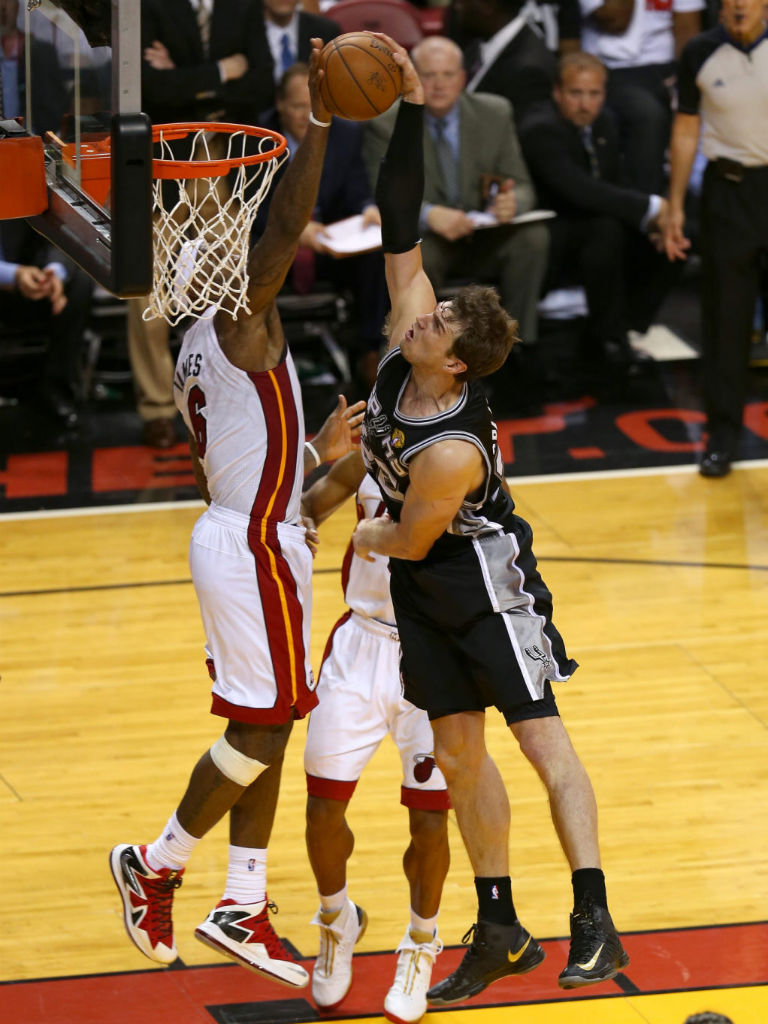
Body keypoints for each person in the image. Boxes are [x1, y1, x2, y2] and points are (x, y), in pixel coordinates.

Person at [353, 34, 629, 1002]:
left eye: (433, 328)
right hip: (424, 588)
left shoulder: (452, 449)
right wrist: (388, 113)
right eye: (424, 318)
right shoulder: (408, 345)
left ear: (456, 366)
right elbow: (398, 234)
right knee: (459, 752)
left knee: (541, 740)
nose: (417, 319)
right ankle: (502, 920)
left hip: (480, 579)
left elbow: (410, 535)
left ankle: (594, 917)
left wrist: (354, 528)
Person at [109, 41, 366, 985]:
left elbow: (272, 478)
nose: (230, 227)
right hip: (249, 544)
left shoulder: (202, 334)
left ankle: (243, 902)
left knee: (271, 722)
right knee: (261, 730)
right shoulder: (233, 316)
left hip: (261, 533)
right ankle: (158, 863)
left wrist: (326, 464)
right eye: (211, 220)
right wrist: (319, 125)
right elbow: (288, 228)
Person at [301, 449, 450, 1023]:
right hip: (359, 646)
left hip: (433, 654)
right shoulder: (367, 454)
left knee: (431, 817)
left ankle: (420, 942)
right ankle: (338, 919)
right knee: (322, 810)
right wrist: (302, 516)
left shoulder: (462, 458)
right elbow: (306, 507)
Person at [363, 35, 549, 410]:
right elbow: (382, 196)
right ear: (412, 78)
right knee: (414, 261)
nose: (439, 83)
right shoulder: (385, 123)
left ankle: (521, 356)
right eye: (428, 74)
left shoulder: (495, 112)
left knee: (532, 239)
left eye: (448, 74)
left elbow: (525, 184)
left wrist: (513, 202)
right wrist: (431, 214)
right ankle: (416, 364)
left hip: (485, 232)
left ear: (463, 77)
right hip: (430, 238)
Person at [129, 0, 277, 449]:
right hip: (165, 172)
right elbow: (149, 88)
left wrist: (184, 78)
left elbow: (261, 84)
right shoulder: (150, 6)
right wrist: (220, 74)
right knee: (144, 294)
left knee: (232, 292)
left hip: (227, 167)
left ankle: (230, 397)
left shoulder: (244, 6)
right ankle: (156, 407)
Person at [518, 51, 674, 374]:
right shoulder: (539, 128)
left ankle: (624, 326)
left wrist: (655, 222)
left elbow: (615, 181)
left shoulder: (602, 122)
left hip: (592, 223)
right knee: (608, 229)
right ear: (557, 93)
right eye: (576, 93)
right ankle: (609, 338)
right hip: (546, 233)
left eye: (594, 94)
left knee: (679, 234)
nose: (585, 104)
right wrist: (650, 207)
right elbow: (578, 190)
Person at [664, 0, 768, 478]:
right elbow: (686, 129)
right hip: (728, 195)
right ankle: (721, 437)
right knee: (726, 322)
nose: (739, 6)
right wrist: (677, 205)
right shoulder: (700, 52)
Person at [254, 63, 388, 389]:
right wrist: (293, 232)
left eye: (314, 107)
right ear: (280, 105)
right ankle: (252, 359)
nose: (307, 116)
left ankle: (370, 351)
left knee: (376, 255)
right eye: (299, 107)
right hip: (273, 245)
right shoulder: (257, 139)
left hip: (328, 243)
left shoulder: (345, 134)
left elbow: (356, 190)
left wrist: (368, 209)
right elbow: (250, 208)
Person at [578, 0, 703, 193]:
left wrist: (687, 85)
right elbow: (617, 19)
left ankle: (667, 206)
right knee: (647, 115)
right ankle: (643, 209)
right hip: (607, 67)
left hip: (663, 67)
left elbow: (687, 30)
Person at [0, 220, 92, 426]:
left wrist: (54, 274)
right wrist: (13, 275)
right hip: (8, 277)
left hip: (33, 279)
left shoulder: (24, 189)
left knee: (80, 280)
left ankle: (56, 388)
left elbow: (59, 231)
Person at [454, 0, 558, 128]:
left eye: (463, 1)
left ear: (487, 5)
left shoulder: (529, 70)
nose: (457, 6)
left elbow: (516, 137)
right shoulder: (479, 44)